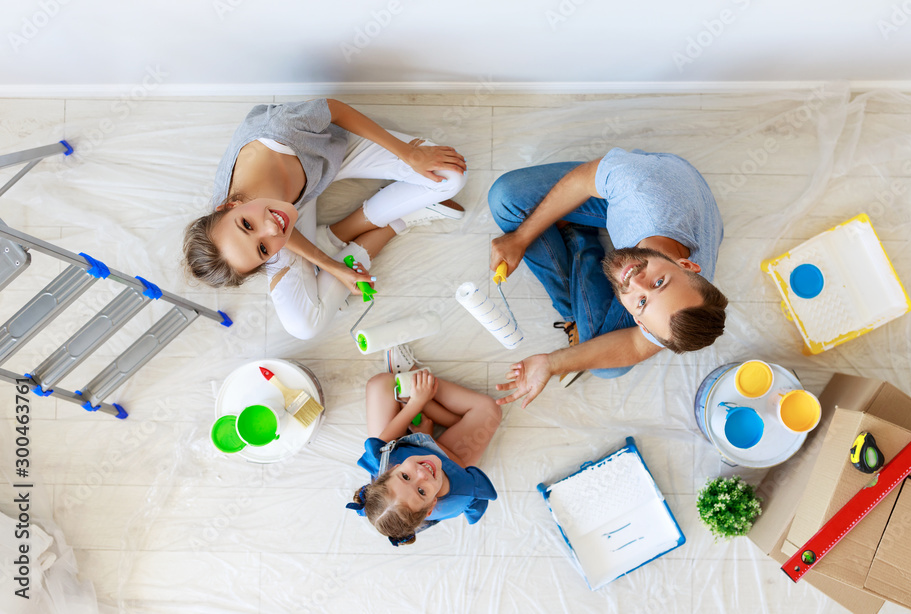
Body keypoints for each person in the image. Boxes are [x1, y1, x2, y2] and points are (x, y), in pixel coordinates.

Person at [183, 98, 468, 339]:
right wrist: (334, 267)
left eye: (247, 225)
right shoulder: (262, 223)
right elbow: (274, 231)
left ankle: (347, 231)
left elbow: (335, 109)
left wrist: (410, 154)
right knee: (302, 327)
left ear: (229, 204)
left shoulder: (281, 129)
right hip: (291, 204)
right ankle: (394, 222)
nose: (270, 228)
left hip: (329, 153)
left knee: (451, 177)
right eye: (263, 250)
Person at [488, 147, 727, 408]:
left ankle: (577, 235)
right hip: (650, 191)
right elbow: (582, 179)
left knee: (606, 368)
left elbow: (636, 347)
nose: (632, 280)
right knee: (504, 197)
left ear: (640, 323)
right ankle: (577, 237)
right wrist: (521, 238)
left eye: (642, 302)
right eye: (659, 282)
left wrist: (551, 363)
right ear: (687, 265)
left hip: (679, 214)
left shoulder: (682, 306)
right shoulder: (638, 187)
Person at [348, 346, 501, 546]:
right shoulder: (459, 493)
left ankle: (416, 392)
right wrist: (428, 436)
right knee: (490, 410)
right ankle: (420, 388)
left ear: (391, 469)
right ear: (431, 506)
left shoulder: (383, 461)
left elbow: (385, 440)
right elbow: (458, 463)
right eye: (421, 491)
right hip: (448, 459)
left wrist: (415, 405)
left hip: (405, 446)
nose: (422, 474)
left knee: (380, 383)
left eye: (405, 476)